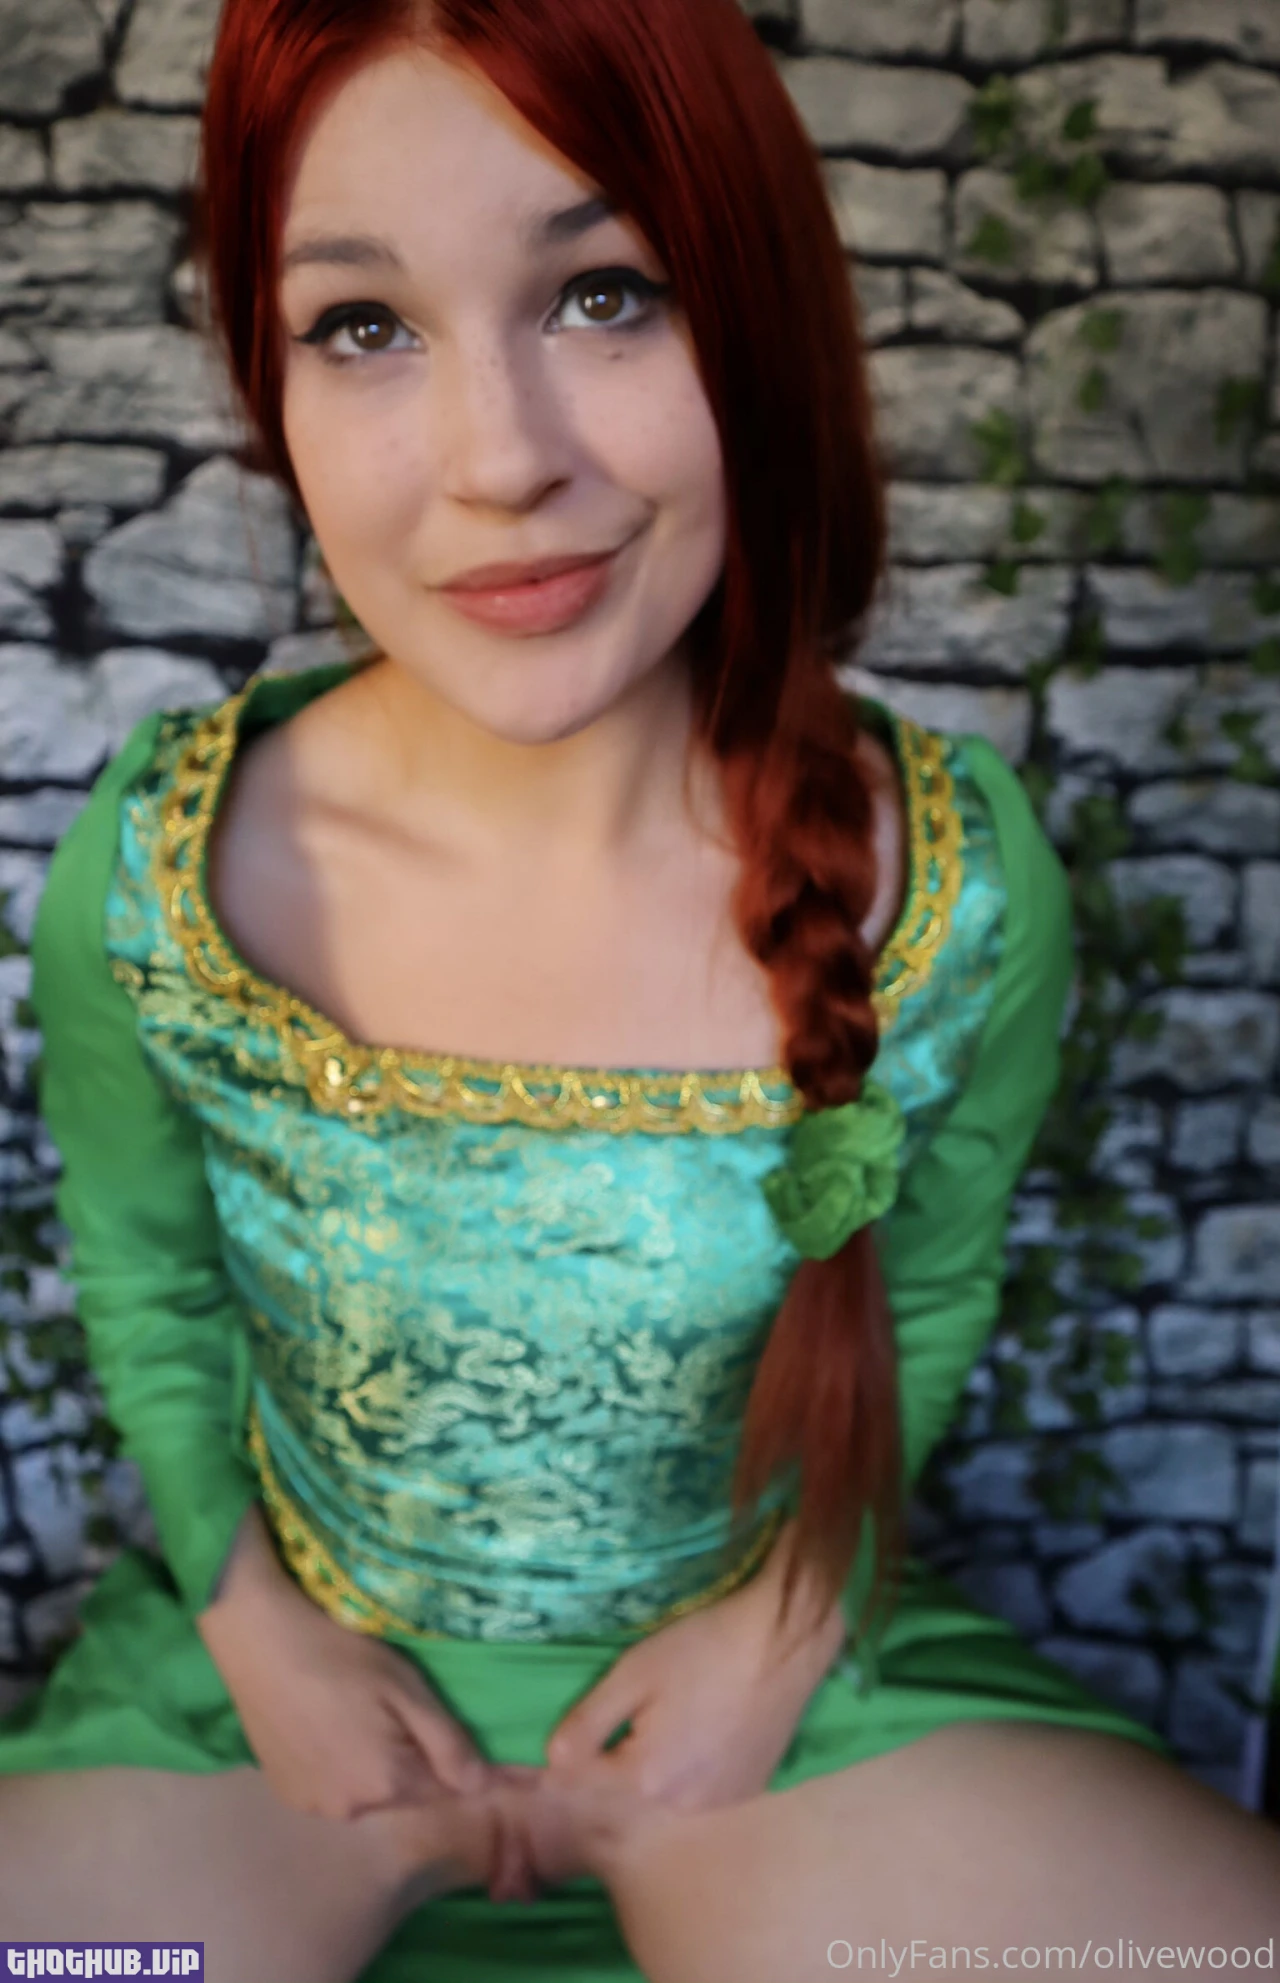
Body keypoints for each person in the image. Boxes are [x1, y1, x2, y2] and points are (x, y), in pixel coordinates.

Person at [1, 0, 1278, 1976]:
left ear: (756, 311)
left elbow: (928, 1282)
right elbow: (150, 1276)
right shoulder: (166, 867)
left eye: (605, 295)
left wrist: (787, 1623)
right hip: (257, 1715)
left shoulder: (952, 886)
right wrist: (254, 1625)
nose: (500, 461)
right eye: (364, 323)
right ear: (269, 373)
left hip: (791, 1710)